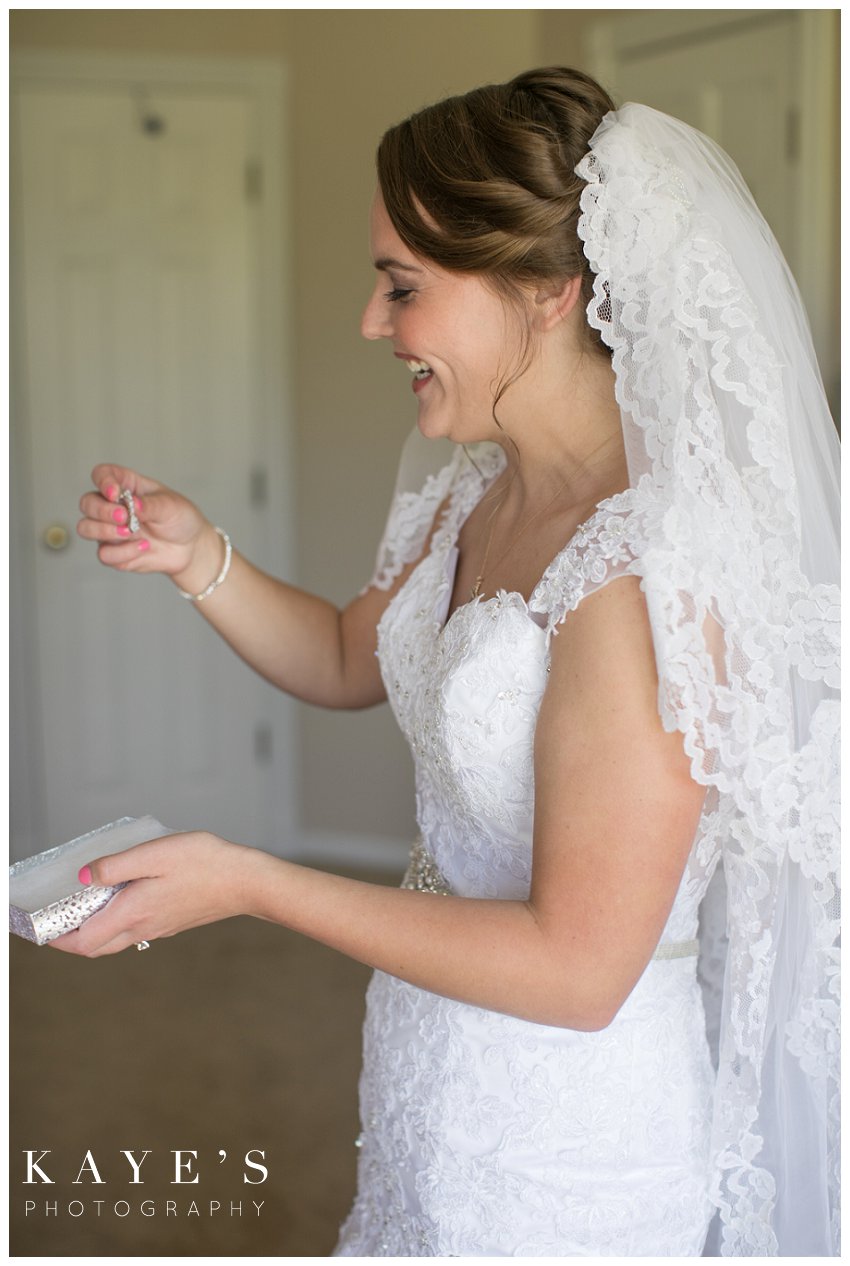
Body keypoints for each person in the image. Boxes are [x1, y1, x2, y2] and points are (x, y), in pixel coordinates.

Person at [55, 68, 838, 1256]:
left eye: (401, 287)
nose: (374, 324)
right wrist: (198, 556)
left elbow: (578, 969)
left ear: (546, 294)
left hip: (570, 1145)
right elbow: (342, 657)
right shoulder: (470, 492)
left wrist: (253, 880)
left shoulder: (637, 570)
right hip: (433, 1071)